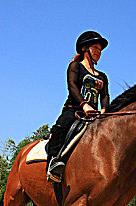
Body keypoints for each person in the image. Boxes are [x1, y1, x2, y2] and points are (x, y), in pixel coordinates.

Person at [46, 31, 110, 182]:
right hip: (74, 110)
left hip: (95, 114)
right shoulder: (75, 66)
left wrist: (105, 109)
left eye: (100, 50)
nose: (98, 52)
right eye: (95, 48)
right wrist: (84, 105)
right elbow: (72, 86)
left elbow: (105, 95)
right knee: (60, 128)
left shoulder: (102, 76)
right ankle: (52, 164)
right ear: (84, 48)